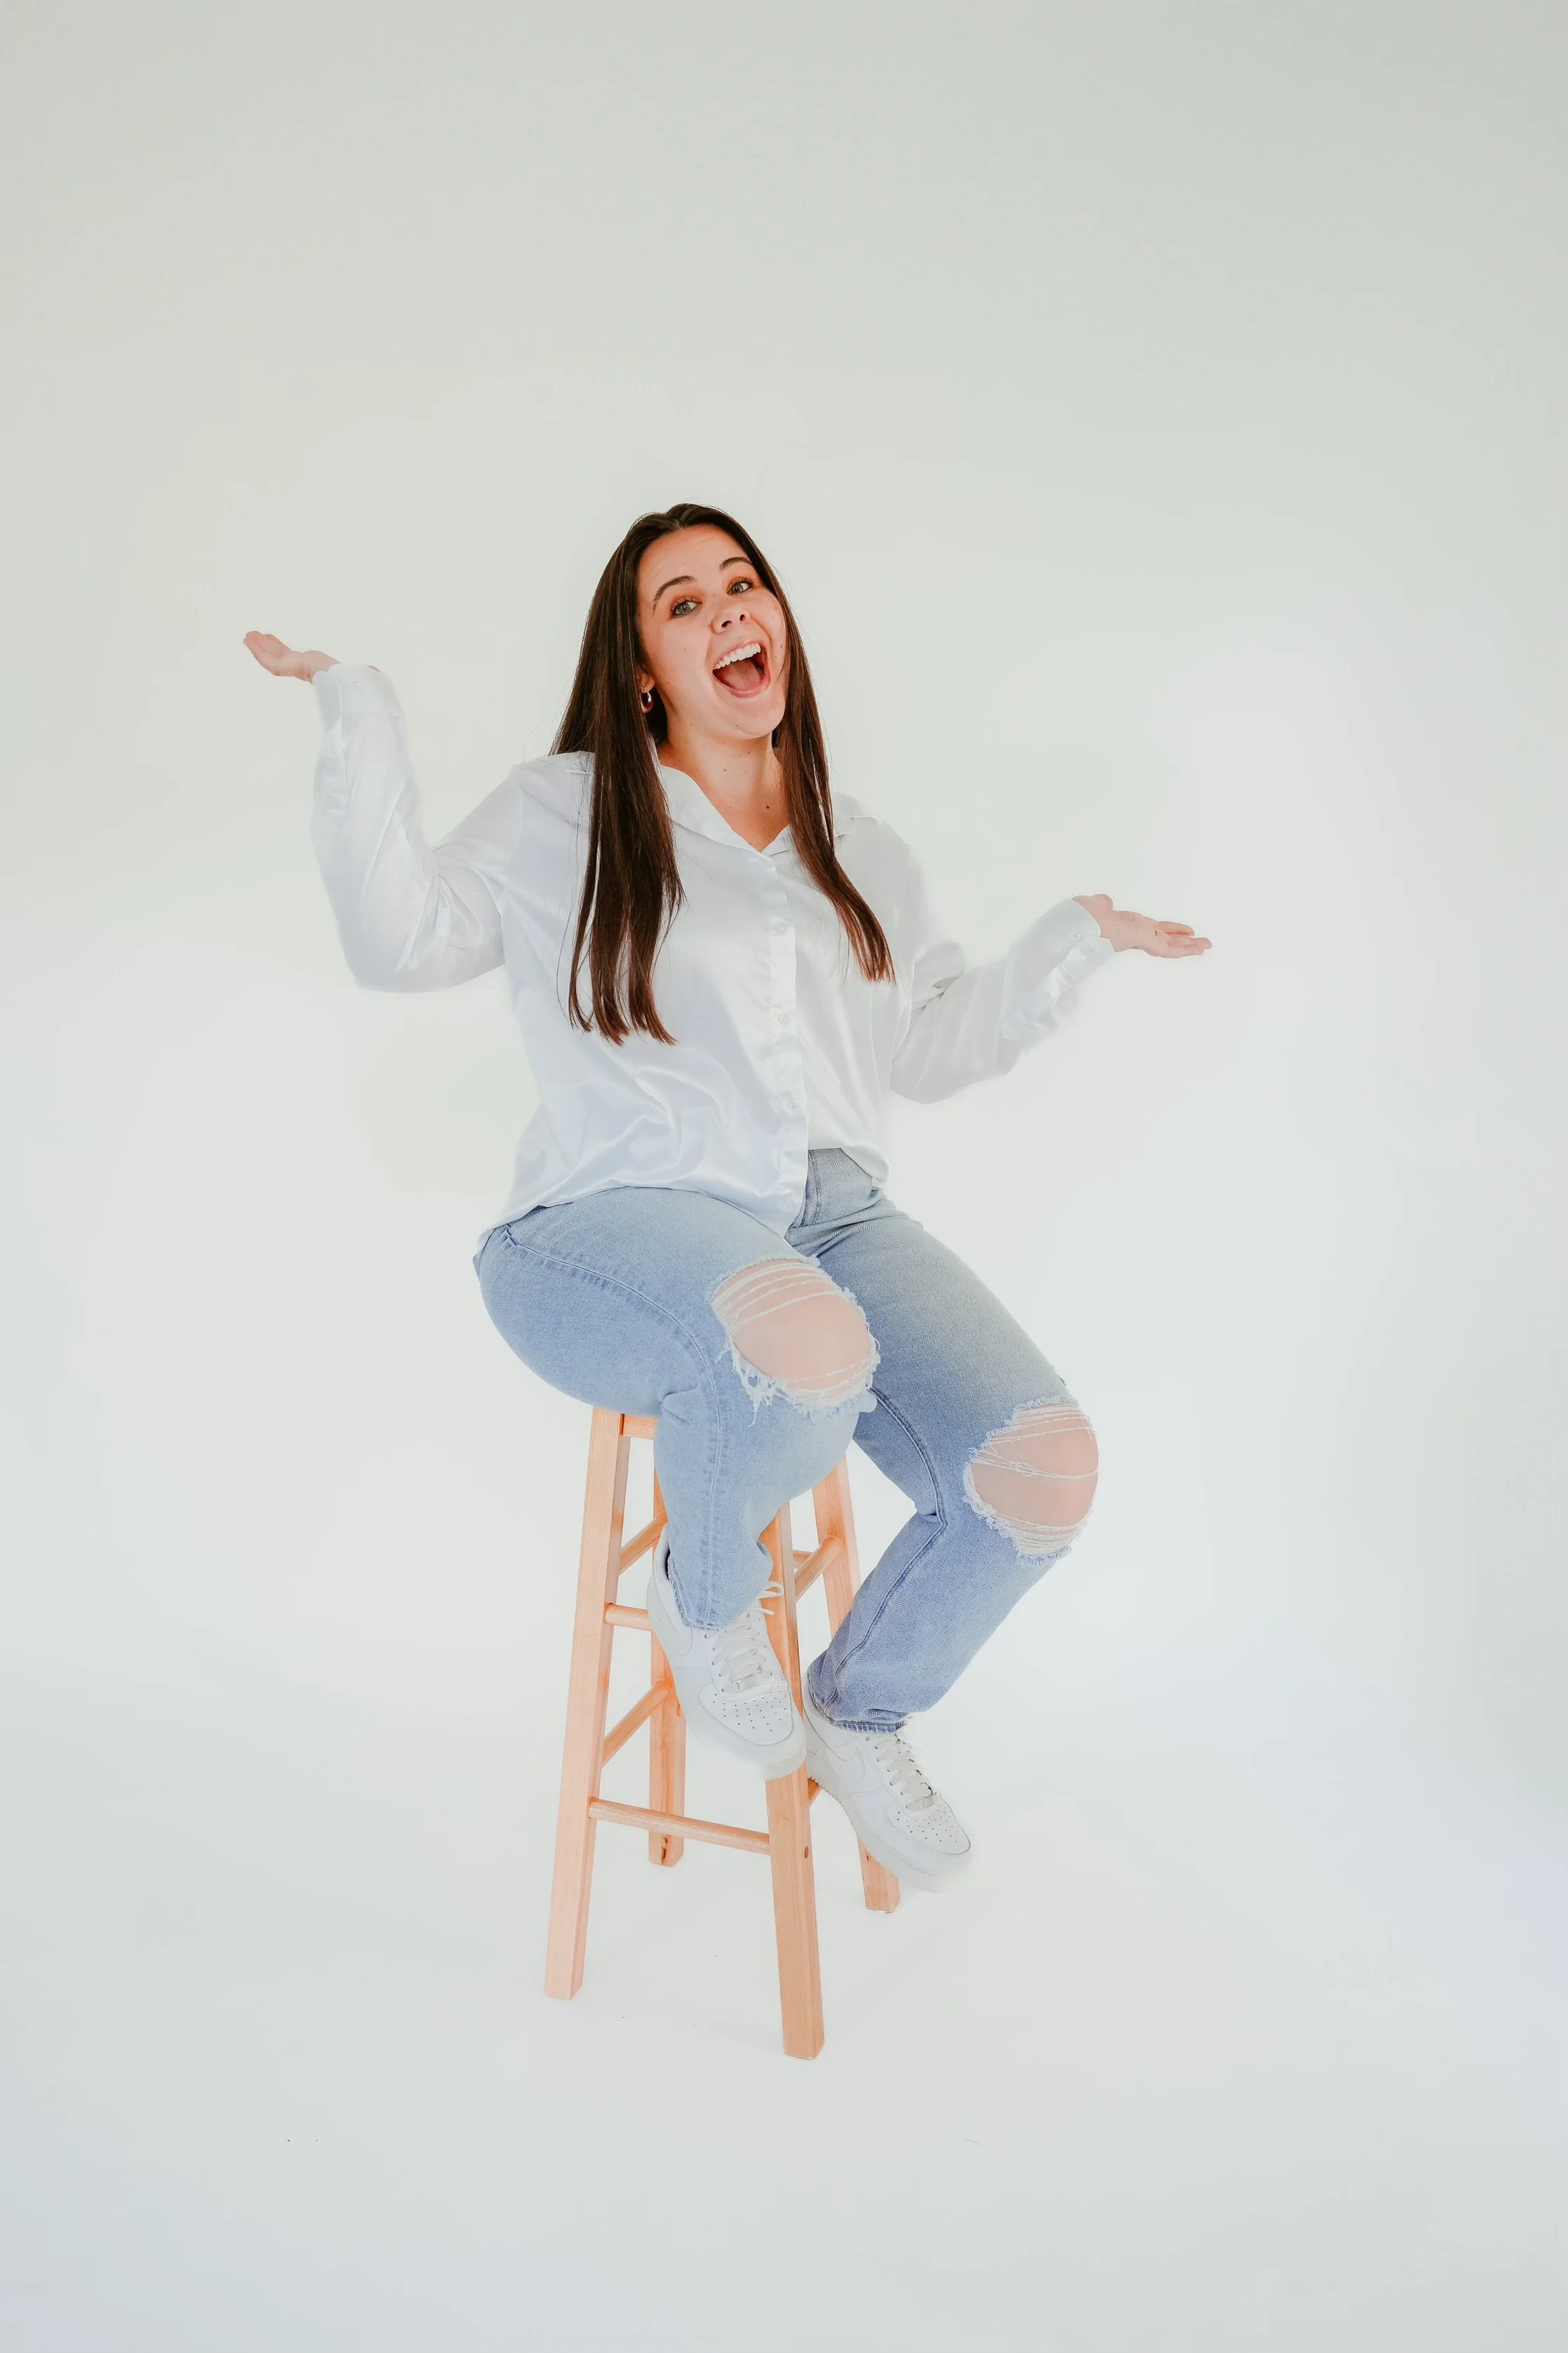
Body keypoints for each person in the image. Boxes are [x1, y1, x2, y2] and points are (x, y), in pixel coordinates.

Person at [245, 501, 1209, 1893]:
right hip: (611, 1217)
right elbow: (398, 941)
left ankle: (861, 1705)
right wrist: (358, 709)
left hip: (830, 1210)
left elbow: (928, 1039)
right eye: (682, 601)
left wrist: (1074, 942)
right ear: (641, 663)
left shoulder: (856, 844)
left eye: (741, 585)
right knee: (798, 1340)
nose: (725, 612)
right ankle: (707, 1601)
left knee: (1040, 1467)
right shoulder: (566, 810)